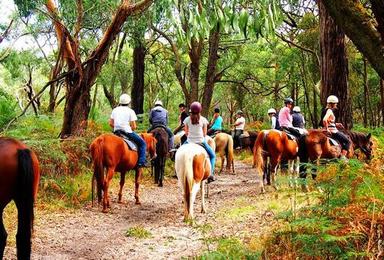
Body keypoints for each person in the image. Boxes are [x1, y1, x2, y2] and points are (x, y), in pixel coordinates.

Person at [109, 94, 149, 167]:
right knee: (142, 143)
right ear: (129, 102)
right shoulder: (130, 111)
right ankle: (141, 162)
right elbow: (134, 126)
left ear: (120, 102)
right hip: (127, 132)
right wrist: (130, 129)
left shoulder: (115, 110)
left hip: (116, 132)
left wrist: (118, 127)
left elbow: (111, 123)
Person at [183, 101, 216, 183]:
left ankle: (177, 172)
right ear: (200, 110)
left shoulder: (187, 119)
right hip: (201, 142)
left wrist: (191, 137)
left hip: (189, 142)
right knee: (212, 156)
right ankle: (210, 174)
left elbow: (186, 133)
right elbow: (205, 134)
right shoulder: (204, 120)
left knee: (178, 152)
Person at [322, 95, 351, 161]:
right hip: (333, 131)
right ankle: (343, 157)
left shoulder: (324, 110)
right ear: (332, 104)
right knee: (347, 141)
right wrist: (327, 129)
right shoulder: (329, 110)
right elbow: (324, 120)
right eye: (335, 104)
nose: (336, 105)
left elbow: (327, 121)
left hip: (324, 129)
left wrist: (336, 124)